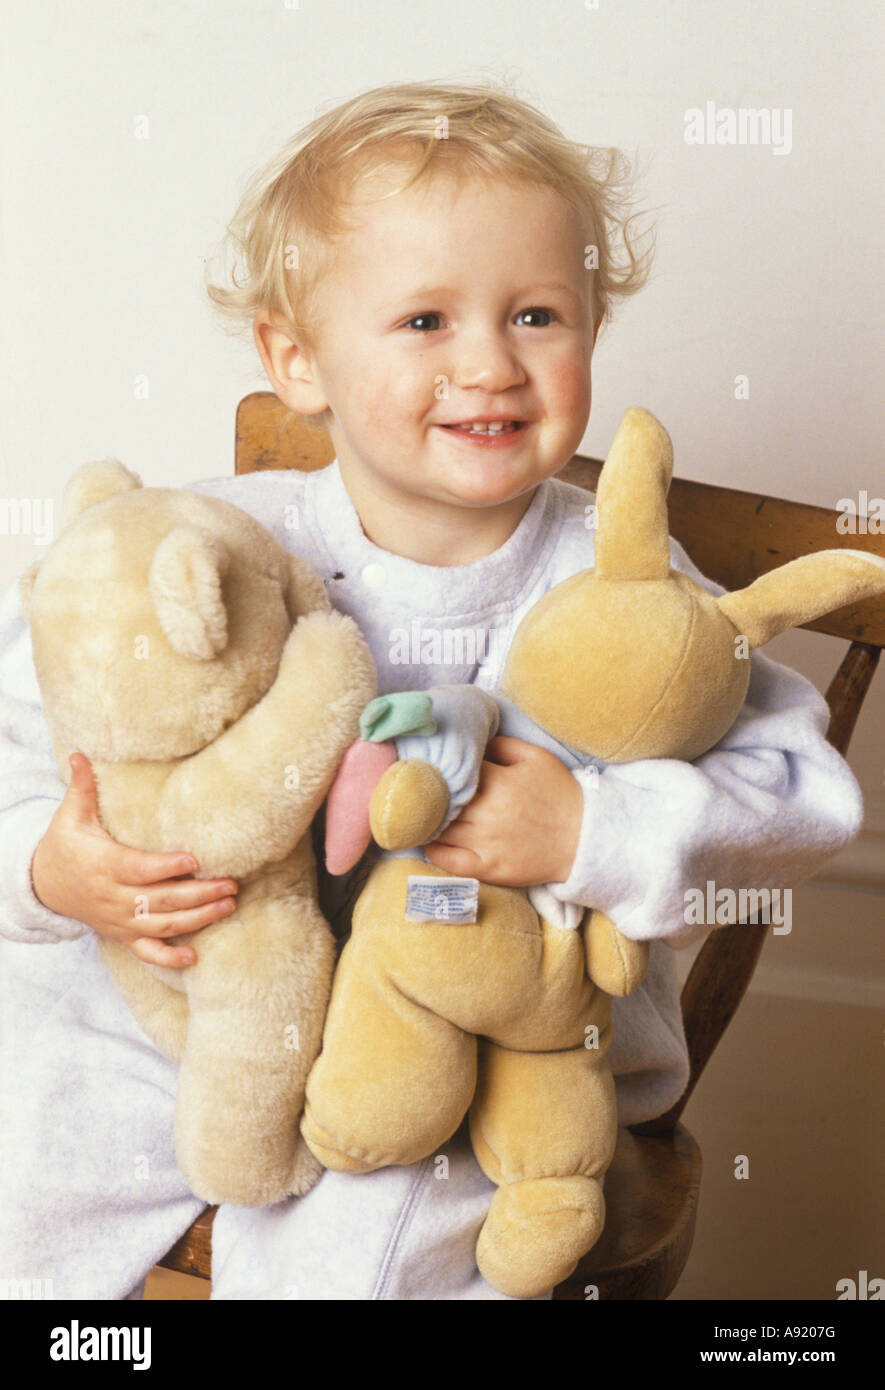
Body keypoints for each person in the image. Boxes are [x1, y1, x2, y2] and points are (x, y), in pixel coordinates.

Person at [0, 80, 863, 1300]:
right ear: (297, 359)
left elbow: (801, 794)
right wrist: (52, 862)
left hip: (484, 1047)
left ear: (592, 329)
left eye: (535, 314)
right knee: (35, 1118)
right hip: (213, 998)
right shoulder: (216, 541)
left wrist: (589, 828)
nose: (489, 365)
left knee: (381, 1235)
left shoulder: (613, 573)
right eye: (423, 322)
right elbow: (34, 726)